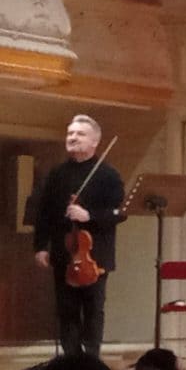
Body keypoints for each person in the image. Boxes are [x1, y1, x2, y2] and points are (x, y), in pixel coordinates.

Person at [33, 114, 125, 357]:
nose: (72, 137)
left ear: (95, 142)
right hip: (63, 253)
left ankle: (91, 360)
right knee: (66, 310)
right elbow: (44, 212)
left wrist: (89, 215)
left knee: (93, 309)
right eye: (70, 133)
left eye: (80, 134)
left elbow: (119, 213)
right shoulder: (57, 174)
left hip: (95, 255)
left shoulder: (108, 175)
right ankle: (70, 361)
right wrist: (40, 246)